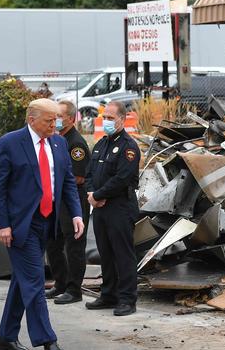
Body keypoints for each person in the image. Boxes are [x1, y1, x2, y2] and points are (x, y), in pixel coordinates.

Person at [0, 98, 84, 350]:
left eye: (57, 120)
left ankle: (7, 338)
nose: (55, 124)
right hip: (21, 226)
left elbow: (65, 183)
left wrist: (76, 213)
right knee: (34, 281)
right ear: (31, 120)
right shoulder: (10, 143)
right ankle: (47, 341)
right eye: (49, 120)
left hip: (48, 222)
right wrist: (2, 225)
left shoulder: (59, 142)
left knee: (22, 281)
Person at [84, 101, 140, 316]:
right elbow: (89, 174)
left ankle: (127, 300)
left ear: (122, 120)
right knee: (105, 253)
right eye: (104, 117)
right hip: (100, 209)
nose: (106, 121)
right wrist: (91, 194)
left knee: (123, 255)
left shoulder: (128, 146)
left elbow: (122, 178)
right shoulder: (101, 144)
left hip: (119, 207)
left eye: (110, 118)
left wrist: (98, 195)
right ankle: (108, 294)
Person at [45, 100, 91, 304]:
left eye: (60, 116)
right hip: (57, 200)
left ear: (71, 119)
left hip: (73, 199)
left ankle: (74, 290)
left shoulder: (76, 144)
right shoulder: (55, 140)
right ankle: (60, 283)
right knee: (53, 243)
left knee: (74, 246)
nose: (55, 120)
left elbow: (79, 177)